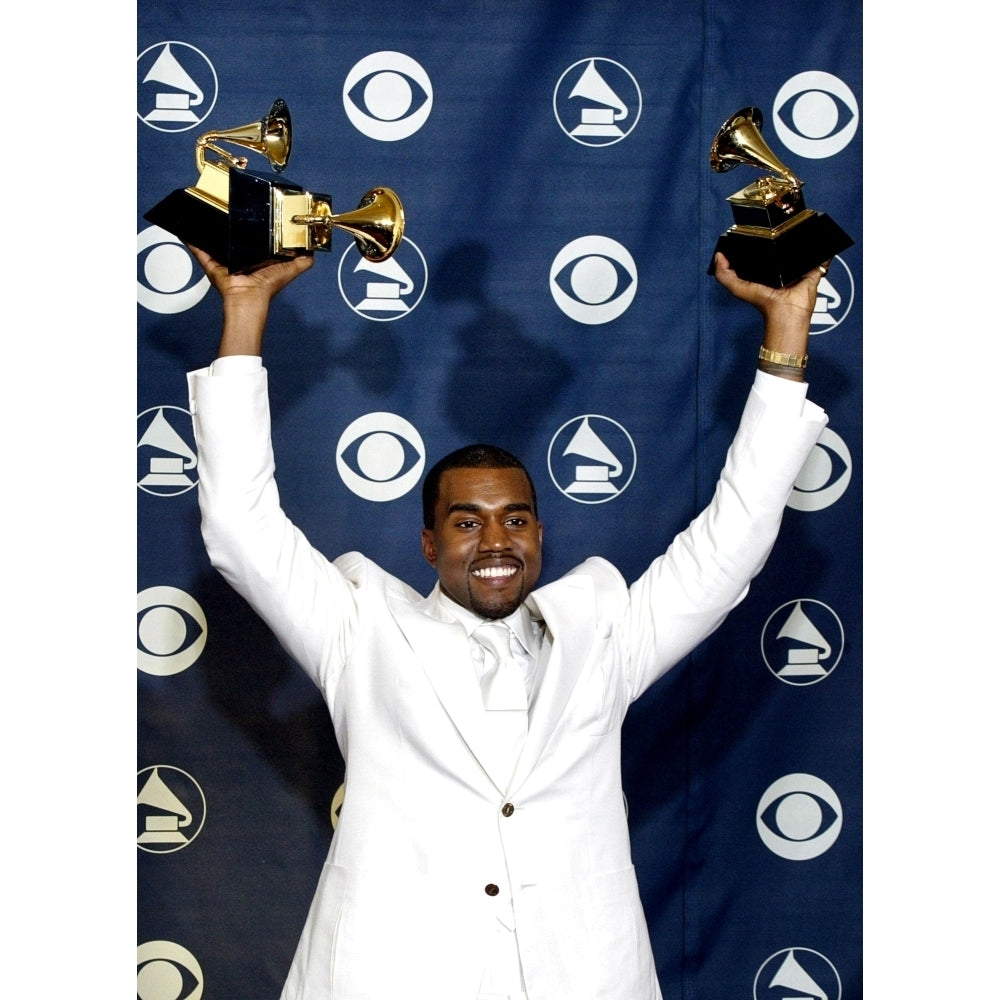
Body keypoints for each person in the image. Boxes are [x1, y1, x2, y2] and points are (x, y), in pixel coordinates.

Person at [186, 244, 829, 1000]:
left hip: (577, 979)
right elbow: (241, 527)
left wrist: (786, 332)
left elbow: (731, 541)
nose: (495, 543)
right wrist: (245, 310)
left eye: (515, 519)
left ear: (540, 534)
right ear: (429, 544)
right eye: (467, 522)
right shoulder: (358, 630)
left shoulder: (605, 636)